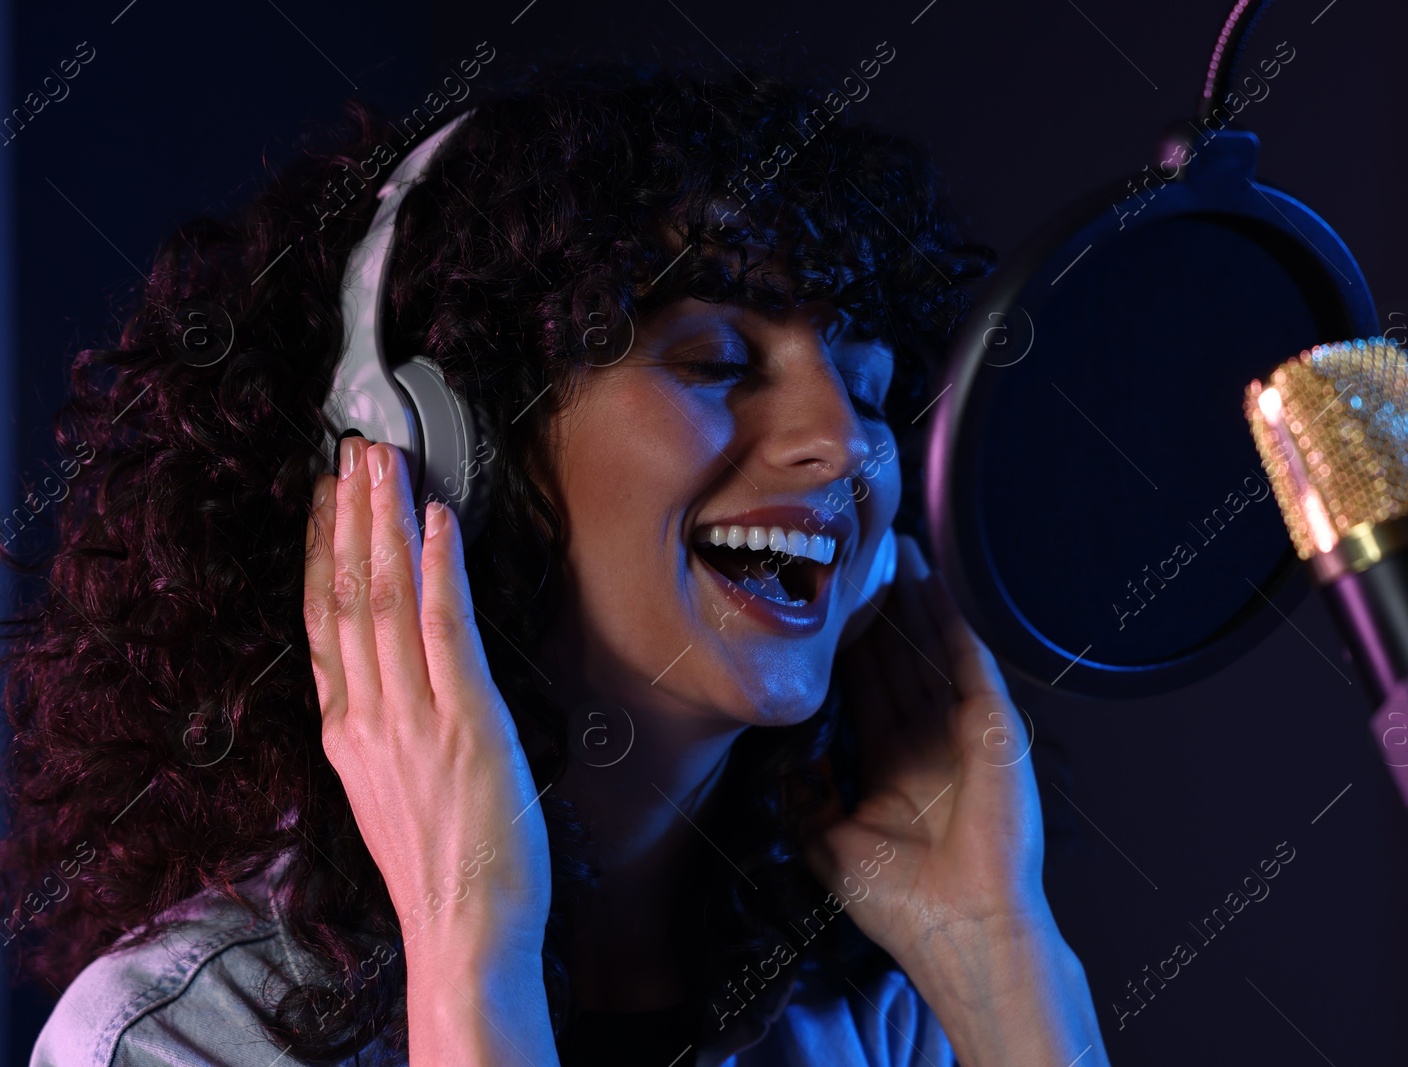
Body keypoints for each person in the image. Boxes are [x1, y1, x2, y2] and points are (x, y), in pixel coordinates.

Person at [1, 61, 1110, 1066]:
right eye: (718, 361)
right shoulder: (179, 1038)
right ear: (443, 451)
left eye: (868, 388)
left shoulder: (879, 1014)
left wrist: (1006, 960)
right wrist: (469, 946)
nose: (841, 439)